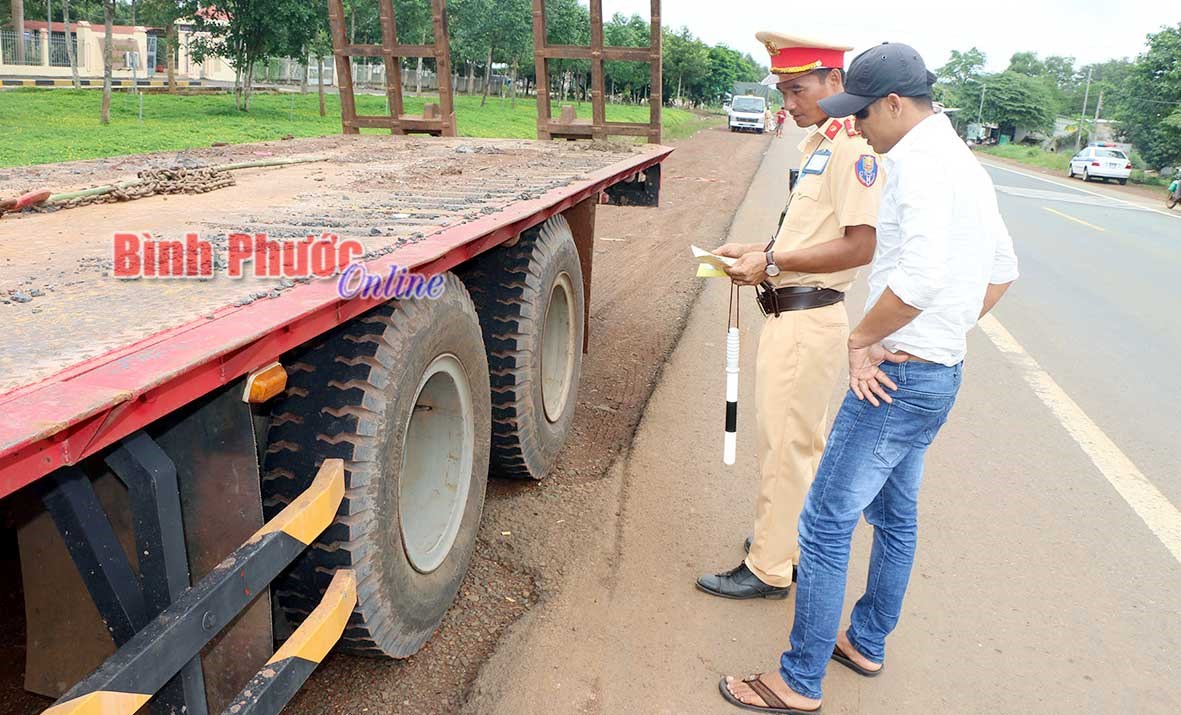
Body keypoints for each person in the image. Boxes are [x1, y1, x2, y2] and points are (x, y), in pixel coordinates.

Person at [719, 42, 1019, 713]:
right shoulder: (962, 162)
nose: (854, 125)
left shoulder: (915, 165)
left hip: (894, 378)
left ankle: (797, 681)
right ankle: (865, 641)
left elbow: (918, 279)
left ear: (894, 103)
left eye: (862, 112)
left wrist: (866, 340)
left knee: (824, 524)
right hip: (936, 371)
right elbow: (1002, 270)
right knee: (894, 516)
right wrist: (939, 336)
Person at [695, 33, 883, 601]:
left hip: (807, 319)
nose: (789, 102)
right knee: (795, 444)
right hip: (794, 314)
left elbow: (859, 246)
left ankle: (769, 567)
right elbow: (808, 235)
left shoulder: (852, 149)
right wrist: (756, 250)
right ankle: (787, 546)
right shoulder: (819, 143)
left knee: (786, 448)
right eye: (782, 91)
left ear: (835, 81)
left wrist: (772, 262)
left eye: (798, 89)